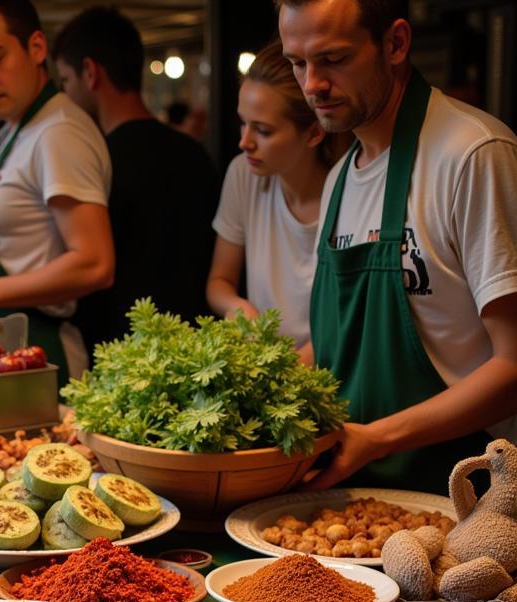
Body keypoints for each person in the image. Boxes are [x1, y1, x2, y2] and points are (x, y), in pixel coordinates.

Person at [279, 0, 517, 491]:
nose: (311, 85)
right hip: (357, 498)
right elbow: (335, 347)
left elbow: (513, 365)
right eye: (297, 63)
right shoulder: (339, 180)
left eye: (334, 59)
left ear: (396, 43)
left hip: (465, 497)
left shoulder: (473, 155)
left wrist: (378, 438)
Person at [0, 0, 114, 381]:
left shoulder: (59, 132)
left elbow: (95, 263)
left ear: (36, 48)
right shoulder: (15, 128)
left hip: (36, 359)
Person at [54, 6, 219, 349]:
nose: (66, 94)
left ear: (90, 72)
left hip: (122, 356)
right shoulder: (195, 154)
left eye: (66, 80)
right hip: (196, 349)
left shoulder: (94, 163)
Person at [206, 41, 347, 355]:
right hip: (265, 361)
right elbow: (219, 281)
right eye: (243, 123)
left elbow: (350, 320)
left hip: (333, 373)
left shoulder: (350, 192)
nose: (244, 142)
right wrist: (237, 306)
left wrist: (286, 373)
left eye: (263, 131)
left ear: (314, 133)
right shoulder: (243, 174)